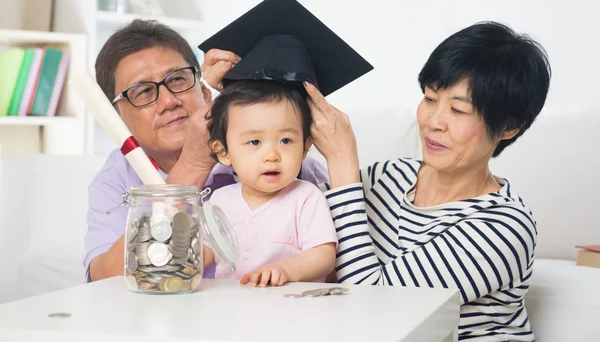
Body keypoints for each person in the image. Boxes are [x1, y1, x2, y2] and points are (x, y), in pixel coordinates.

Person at [204, 22, 550, 341]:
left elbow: (373, 308)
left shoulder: (503, 226)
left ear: (508, 127)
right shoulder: (388, 177)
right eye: (430, 99)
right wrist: (240, 105)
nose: (433, 121)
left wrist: (342, 161)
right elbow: (275, 211)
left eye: (458, 111)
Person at [84, 19, 329, 282]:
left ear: (205, 91)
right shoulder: (115, 179)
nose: (168, 101)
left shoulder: (291, 167)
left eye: (177, 79)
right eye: (143, 91)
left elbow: (339, 267)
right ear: (116, 117)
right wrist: (192, 166)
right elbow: (104, 280)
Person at [204, 79, 337, 286]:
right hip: (230, 305)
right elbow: (206, 250)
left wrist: (286, 269)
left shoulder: (307, 197)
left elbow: (324, 256)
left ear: (304, 148)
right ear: (223, 152)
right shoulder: (220, 199)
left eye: (285, 140)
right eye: (255, 142)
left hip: (290, 304)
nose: (272, 155)